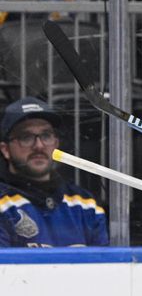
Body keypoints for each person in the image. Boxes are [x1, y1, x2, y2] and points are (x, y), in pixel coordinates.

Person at [0, 96, 108, 247]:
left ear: (56, 143)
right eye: (26, 137)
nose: (39, 145)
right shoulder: (3, 206)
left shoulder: (85, 206)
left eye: (46, 136)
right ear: (5, 150)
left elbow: (105, 268)